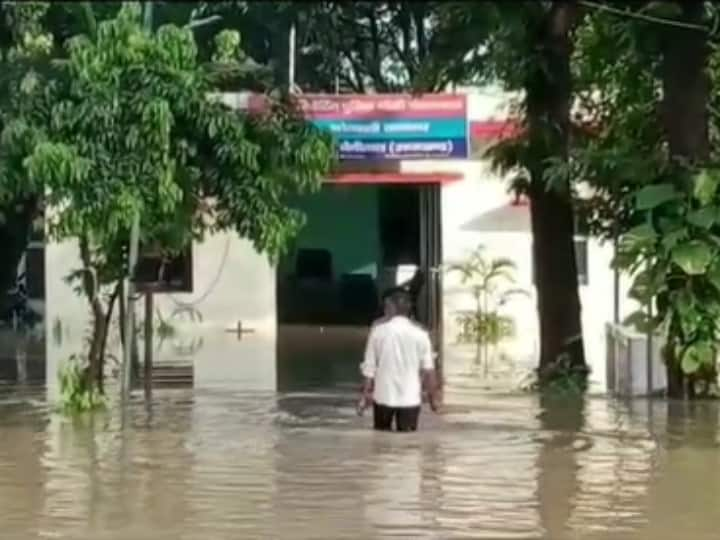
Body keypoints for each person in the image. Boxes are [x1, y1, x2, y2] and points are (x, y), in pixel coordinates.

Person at [356, 287, 441, 432]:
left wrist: (364, 397)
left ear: (391, 307)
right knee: (408, 446)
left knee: (380, 442)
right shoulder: (421, 334)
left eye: (386, 306)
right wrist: (433, 399)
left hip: (383, 396)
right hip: (410, 399)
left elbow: (369, 368)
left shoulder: (377, 332)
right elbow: (429, 371)